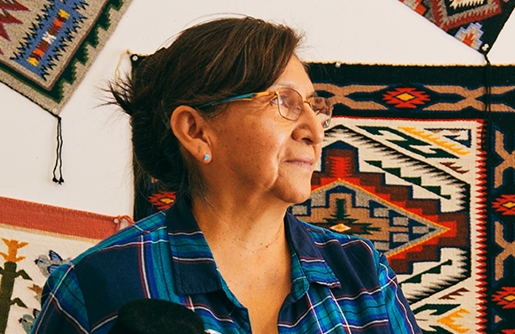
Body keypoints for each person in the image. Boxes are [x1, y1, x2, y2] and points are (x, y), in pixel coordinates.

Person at [32, 16, 422, 334]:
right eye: (284, 102)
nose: (315, 132)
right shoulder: (95, 286)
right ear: (196, 130)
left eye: (315, 107)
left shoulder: (364, 272)